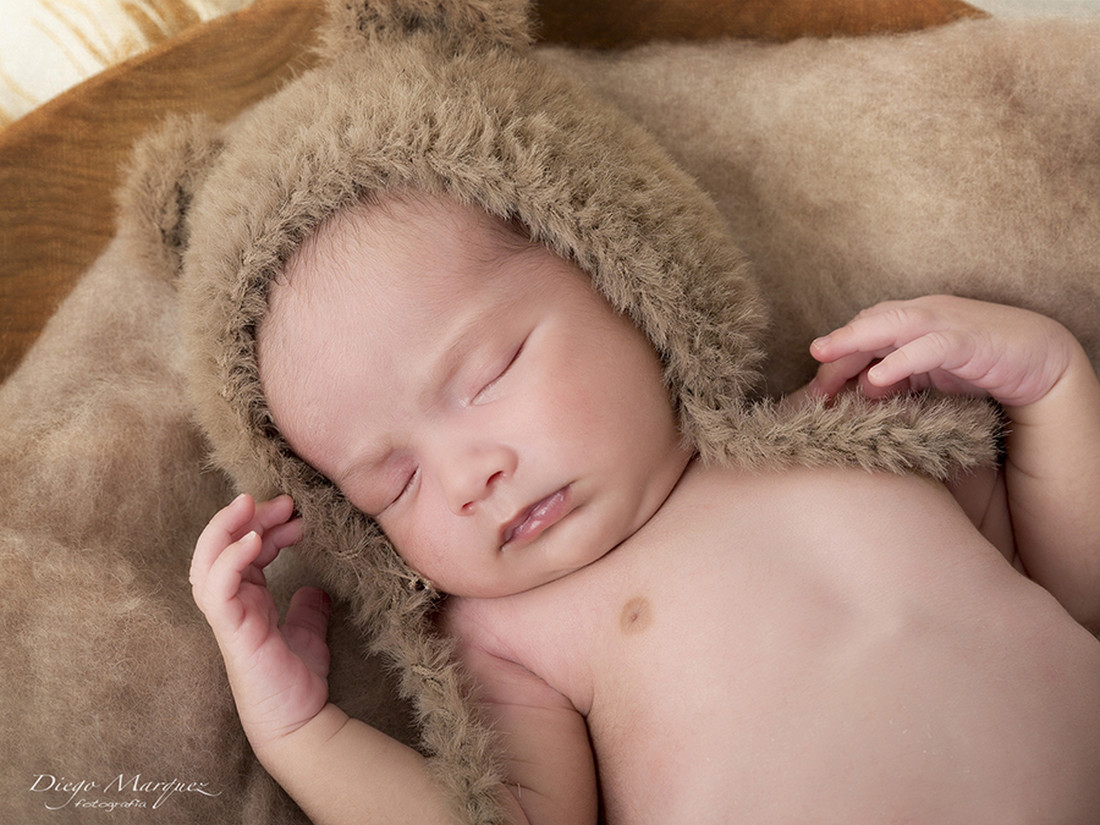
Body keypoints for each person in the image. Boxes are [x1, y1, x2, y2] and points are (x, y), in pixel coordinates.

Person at [190, 189, 1100, 825]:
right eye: (395, 482)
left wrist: (1054, 384)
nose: (469, 476)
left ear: (625, 282)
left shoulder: (854, 427)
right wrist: (304, 734)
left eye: (489, 377)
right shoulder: (514, 630)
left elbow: (1068, 590)